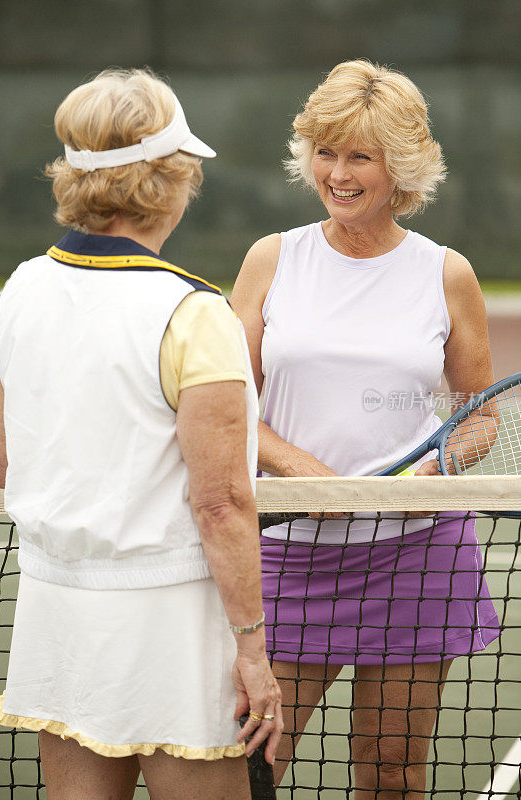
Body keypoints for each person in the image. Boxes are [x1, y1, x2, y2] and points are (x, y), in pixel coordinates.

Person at [0, 68, 282, 800]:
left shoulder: (17, 288)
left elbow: (2, 459)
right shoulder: (194, 313)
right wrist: (252, 652)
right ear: (171, 178)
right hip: (171, 629)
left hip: (58, 610)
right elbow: (221, 506)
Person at [231, 59, 500, 799]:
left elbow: (477, 417)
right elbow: (222, 404)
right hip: (282, 558)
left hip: (415, 559)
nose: (338, 174)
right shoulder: (271, 260)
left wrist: (427, 475)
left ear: (401, 165)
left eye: (360, 156)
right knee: (251, 770)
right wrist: (297, 469)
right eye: (325, 152)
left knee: (392, 773)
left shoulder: (446, 273)